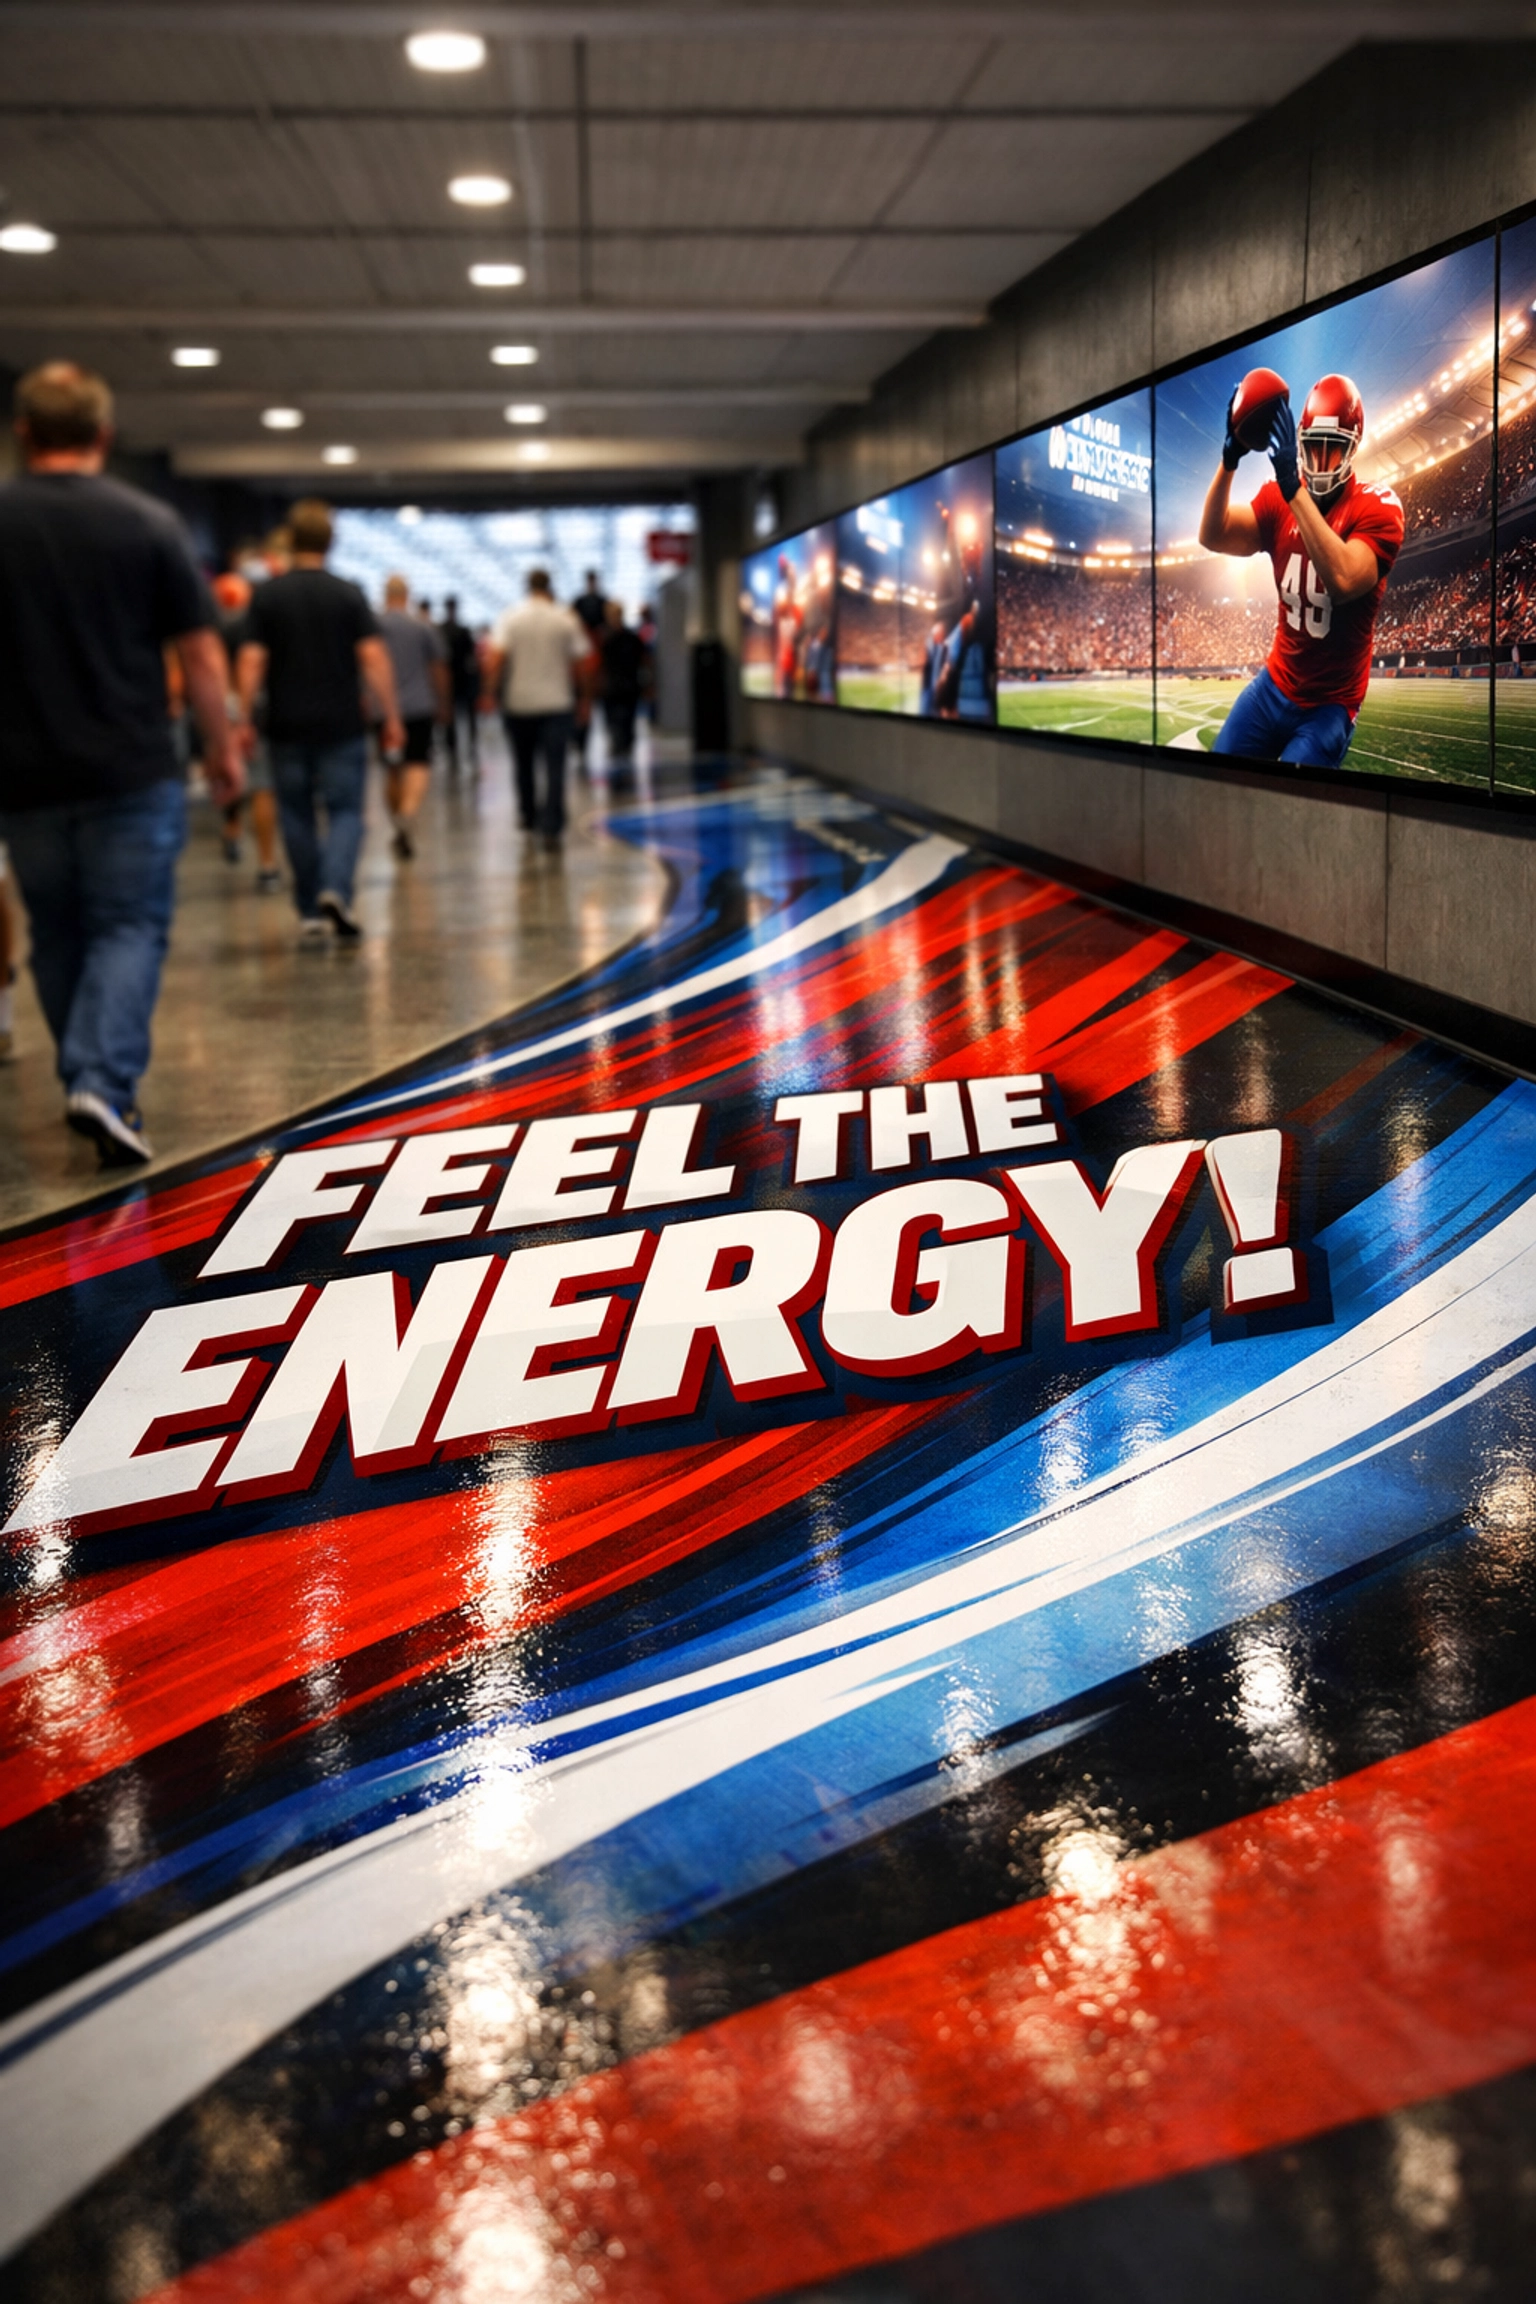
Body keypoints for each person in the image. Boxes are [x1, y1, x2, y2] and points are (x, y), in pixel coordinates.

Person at [0, 360, 242, 1164]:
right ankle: (101, 1082)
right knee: (128, 924)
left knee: (57, 930)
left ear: (23, 431)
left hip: (23, 775)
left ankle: (88, 1079)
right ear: (104, 435)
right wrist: (222, 747)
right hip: (129, 768)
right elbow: (201, 656)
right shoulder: (148, 524)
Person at [1198, 373, 1404, 768]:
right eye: (1313, 446)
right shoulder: (1278, 498)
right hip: (1274, 685)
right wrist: (1229, 460)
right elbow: (1212, 534)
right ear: (1300, 443)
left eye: (1333, 448)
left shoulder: (1378, 507)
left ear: (1352, 447)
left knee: (1292, 797)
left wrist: (1293, 489)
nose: (1321, 460)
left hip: (1330, 704)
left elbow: (1343, 580)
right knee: (1219, 776)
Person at [236, 498, 402, 942]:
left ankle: (310, 909)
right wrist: (390, 714)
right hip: (341, 723)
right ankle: (336, 888)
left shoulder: (268, 596)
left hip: (286, 724)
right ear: (331, 541)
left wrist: (243, 718)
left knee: (296, 813)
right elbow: (373, 657)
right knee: (346, 810)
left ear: (292, 540)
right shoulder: (348, 593)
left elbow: (251, 661)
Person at [486, 568, 592, 848]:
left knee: (524, 764)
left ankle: (528, 814)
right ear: (550, 586)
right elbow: (582, 663)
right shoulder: (566, 619)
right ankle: (552, 826)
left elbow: (496, 658)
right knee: (555, 766)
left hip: (519, 703)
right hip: (558, 703)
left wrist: (489, 692)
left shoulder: (510, 618)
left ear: (527, 586)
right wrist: (585, 698)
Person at [211, 569, 282, 890]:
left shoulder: (220, 626)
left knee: (229, 772)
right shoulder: (264, 624)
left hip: (223, 709)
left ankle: (232, 825)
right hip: (258, 709)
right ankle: (267, 864)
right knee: (263, 785)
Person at [378, 573, 447, 859]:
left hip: (382, 710)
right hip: (419, 707)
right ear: (407, 595)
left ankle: (398, 822)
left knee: (392, 768)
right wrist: (443, 701)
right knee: (418, 763)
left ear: (384, 595)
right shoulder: (422, 627)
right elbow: (438, 667)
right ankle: (408, 813)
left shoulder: (373, 627)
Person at [599, 599, 650, 776]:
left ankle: (624, 763)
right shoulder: (603, 638)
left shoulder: (631, 638)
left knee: (626, 727)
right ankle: (618, 761)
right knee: (614, 727)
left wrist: (648, 685)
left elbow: (644, 662)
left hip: (627, 689)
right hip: (611, 689)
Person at [438, 593, 480, 775]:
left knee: (451, 719)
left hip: (451, 681)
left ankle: (454, 752)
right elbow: (472, 658)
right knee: (467, 718)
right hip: (463, 680)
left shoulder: (441, 630)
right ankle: (469, 749)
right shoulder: (463, 631)